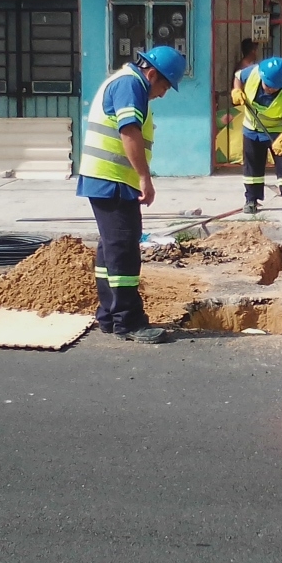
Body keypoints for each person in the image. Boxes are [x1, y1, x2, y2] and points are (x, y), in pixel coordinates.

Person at [77, 46, 186, 344]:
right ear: (152, 74)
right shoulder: (130, 85)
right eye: (164, 86)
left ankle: (109, 315)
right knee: (124, 248)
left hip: (106, 179)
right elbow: (129, 131)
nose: (162, 94)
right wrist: (144, 177)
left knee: (110, 248)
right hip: (111, 180)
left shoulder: (124, 81)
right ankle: (129, 321)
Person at [230, 56, 282, 215]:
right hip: (251, 128)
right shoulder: (255, 72)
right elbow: (238, 76)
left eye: (274, 87)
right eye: (267, 85)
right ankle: (251, 200)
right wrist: (236, 90)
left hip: (277, 132)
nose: (269, 89)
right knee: (252, 167)